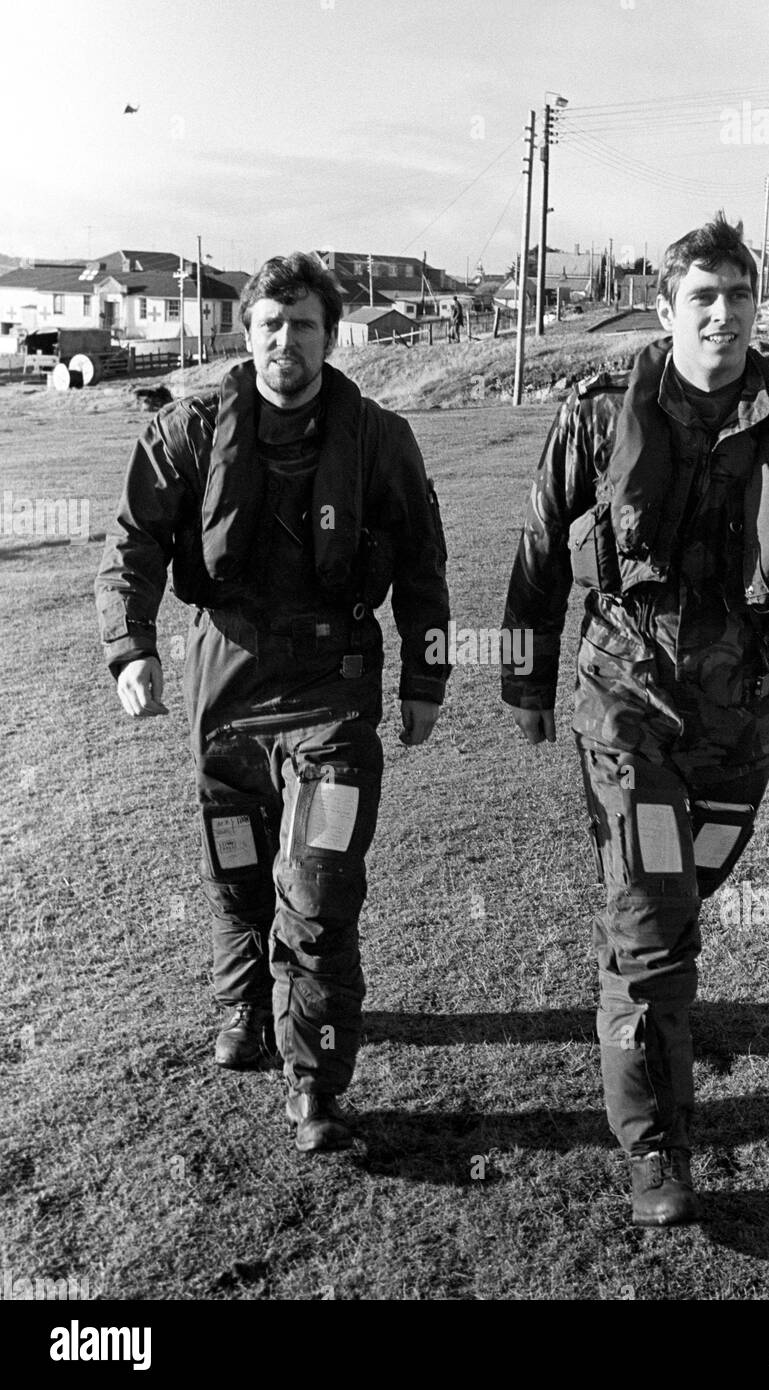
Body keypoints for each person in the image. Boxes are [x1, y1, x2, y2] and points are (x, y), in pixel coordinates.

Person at [501, 215, 769, 1225]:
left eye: (739, 297)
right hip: (624, 705)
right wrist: (525, 684)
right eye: (701, 298)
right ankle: (656, 1154)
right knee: (651, 921)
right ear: (667, 307)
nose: (722, 315)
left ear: (758, 308)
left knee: (680, 890)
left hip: (741, 728)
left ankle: (645, 990)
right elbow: (542, 551)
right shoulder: (598, 410)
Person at [96, 252, 451, 1153]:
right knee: (239, 873)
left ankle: (316, 1087)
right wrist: (129, 647)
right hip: (223, 687)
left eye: (302, 325)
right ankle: (244, 1006)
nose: (284, 341)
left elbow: (422, 565)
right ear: (245, 333)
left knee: (320, 889)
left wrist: (424, 678)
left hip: (332, 692)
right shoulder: (188, 430)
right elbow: (133, 541)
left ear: (330, 339)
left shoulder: (379, 440)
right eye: (269, 325)